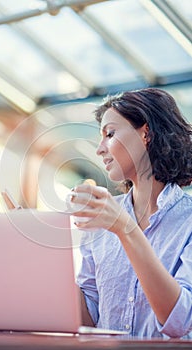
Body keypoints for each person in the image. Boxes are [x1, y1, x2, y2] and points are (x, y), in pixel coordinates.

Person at [70, 88, 192, 338]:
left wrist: (125, 229)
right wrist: (43, 265)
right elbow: (90, 319)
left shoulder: (187, 220)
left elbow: (181, 320)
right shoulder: (101, 220)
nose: (99, 149)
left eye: (110, 134)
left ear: (145, 134)